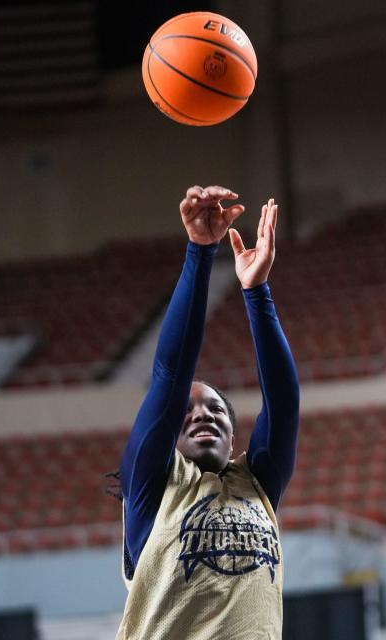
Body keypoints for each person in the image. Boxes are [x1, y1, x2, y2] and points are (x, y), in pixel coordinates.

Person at [114, 186, 300, 640]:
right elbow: (169, 376)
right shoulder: (150, 486)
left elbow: (283, 400)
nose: (203, 413)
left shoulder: (256, 484)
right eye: (187, 411)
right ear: (167, 439)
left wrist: (256, 292)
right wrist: (200, 252)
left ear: (235, 437)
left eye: (217, 408)